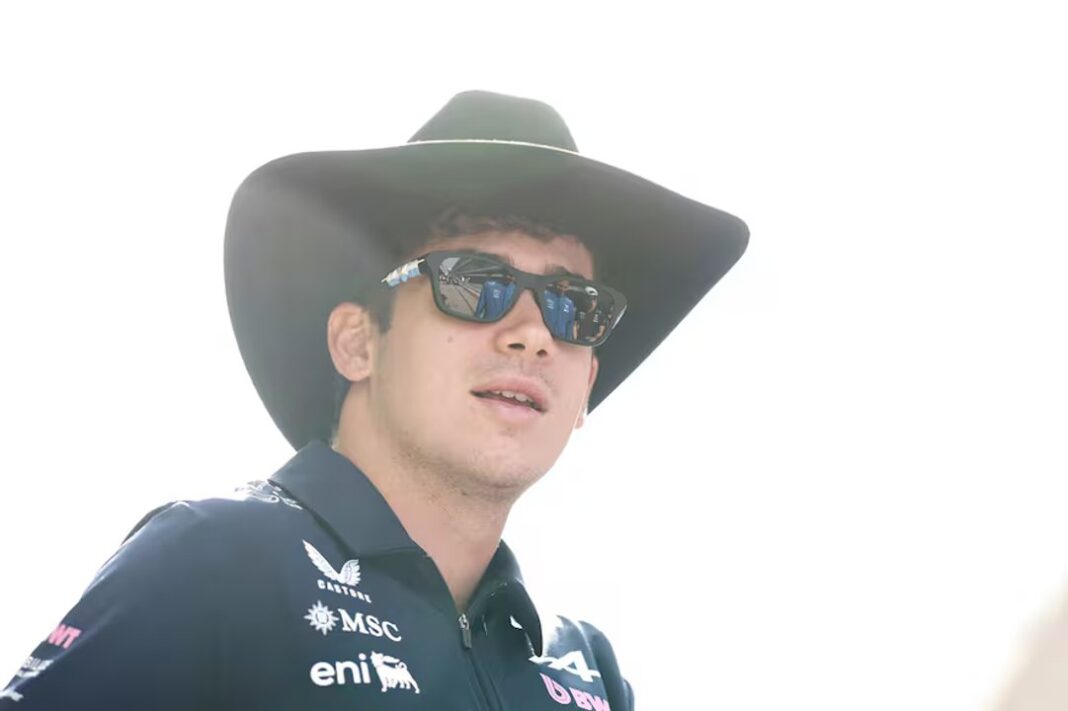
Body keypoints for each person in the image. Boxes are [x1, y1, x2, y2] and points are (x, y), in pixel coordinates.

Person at [0, 90, 748, 709]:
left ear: (586, 386)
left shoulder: (588, 670)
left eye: (573, 305)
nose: (532, 334)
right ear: (357, 341)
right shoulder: (214, 560)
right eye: (474, 282)